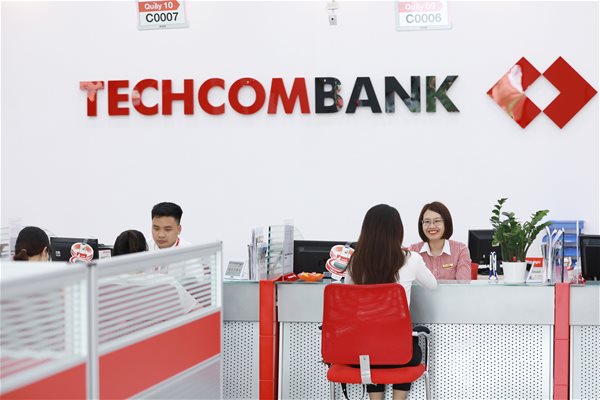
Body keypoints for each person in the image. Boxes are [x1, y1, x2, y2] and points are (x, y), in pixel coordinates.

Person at [347, 204, 437, 400]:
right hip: (400, 353)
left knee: (371, 346)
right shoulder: (411, 259)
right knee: (404, 345)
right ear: (398, 230)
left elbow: (348, 293)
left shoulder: (355, 261)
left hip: (363, 353)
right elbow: (432, 285)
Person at [409, 201, 472, 280]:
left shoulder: (460, 250)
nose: (431, 226)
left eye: (437, 221)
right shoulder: (413, 251)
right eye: (427, 221)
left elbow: (464, 284)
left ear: (446, 223)